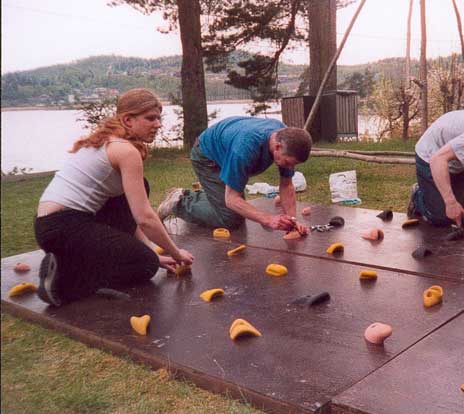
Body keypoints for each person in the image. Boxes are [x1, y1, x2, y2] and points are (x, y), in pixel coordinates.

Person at [34, 88, 194, 307]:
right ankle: (64, 281)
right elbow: (145, 218)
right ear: (128, 120)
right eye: (150, 118)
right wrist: (176, 254)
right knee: (145, 266)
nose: (158, 124)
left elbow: (127, 212)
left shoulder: (106, 141)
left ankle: (69, 259)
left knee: (140, 187)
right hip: (65, 228)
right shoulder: (126, 151)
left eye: (159, 118)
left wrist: (152, 252)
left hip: (50, 226)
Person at [157, 116, 313, 234]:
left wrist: (292, 222)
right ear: (277, 146)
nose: (290, 167)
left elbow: (286, 184)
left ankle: (210, 196)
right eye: (288, 163)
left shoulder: (286, 138)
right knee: (231, 218)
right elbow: (232, 199)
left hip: (228, 148)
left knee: (233, 206)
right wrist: (267, 219)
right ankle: (180, 202)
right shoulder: (244, 149)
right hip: (207, 156)